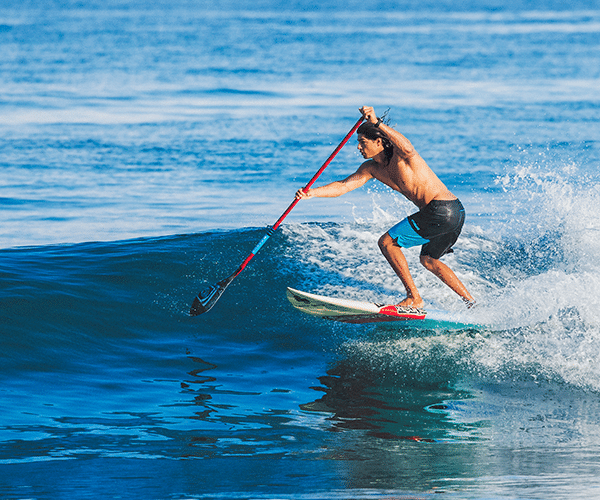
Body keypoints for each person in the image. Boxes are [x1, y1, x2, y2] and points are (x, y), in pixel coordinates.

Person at [295, 106, 475, 309]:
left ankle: (414, 298)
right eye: (357, 143)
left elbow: (408, 147)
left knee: (387, 243)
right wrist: (312, 193)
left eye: (362, 142)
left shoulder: (401, 156)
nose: (358, 147)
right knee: (429, 260)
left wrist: (377, 123)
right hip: (456, 212)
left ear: (378, 141)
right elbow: (344, 186)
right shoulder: (371, 169)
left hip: (441, 210)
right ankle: (471, 303)